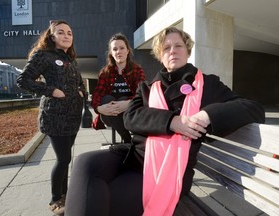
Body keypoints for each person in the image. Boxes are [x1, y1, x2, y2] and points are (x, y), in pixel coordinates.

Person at [65, 26, 265, 216]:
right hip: (136, 158)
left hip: (168, 171)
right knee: (84, 163)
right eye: (166, 48)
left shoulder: (207, 84)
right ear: (160, 55)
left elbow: (252, 108)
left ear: (187, 50)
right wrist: (172, 121)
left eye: (178, 46)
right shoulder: (148, 86)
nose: (172, 51)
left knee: (105, 197)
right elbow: (131, 117)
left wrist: (206, 116)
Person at [16, 20, 86, 215]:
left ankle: (64, 195)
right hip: (55, 117)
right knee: (63, 159)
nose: (66, 36)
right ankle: (56, 199)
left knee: (65, 158)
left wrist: (81, 91)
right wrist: (51, 90)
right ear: (52, 36)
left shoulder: (70, 59)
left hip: (72, 116)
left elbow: (80, 82)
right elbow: (23, 80)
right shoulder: (43, 55)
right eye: (61, 32)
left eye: (69, 33)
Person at [90, 33, 145, 143]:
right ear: (111, 53)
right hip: (109, 114)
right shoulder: (106, 73)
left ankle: (125, 138)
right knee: (106, 99)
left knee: (123, 98)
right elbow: (97, 94)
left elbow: (142, 93)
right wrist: (99, 108)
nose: (118, 51)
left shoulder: (136, 70)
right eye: (115, 49)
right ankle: (127, 138)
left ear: (127, 50)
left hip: (130, 112)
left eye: (122, 48)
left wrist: (129, 103)